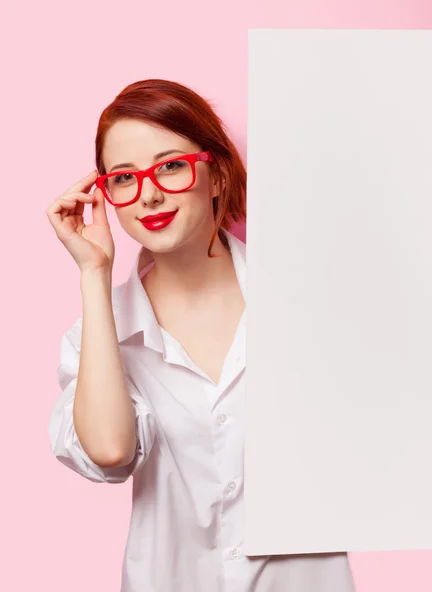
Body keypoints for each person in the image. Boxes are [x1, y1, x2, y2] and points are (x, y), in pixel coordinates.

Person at [46, 79, 356, 592]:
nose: (147, 193)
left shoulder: (309, 305)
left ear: (215, 175)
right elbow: (109, 452)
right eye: (124, 177)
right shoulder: (101, 336)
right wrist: (94, 273)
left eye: (170, 165)